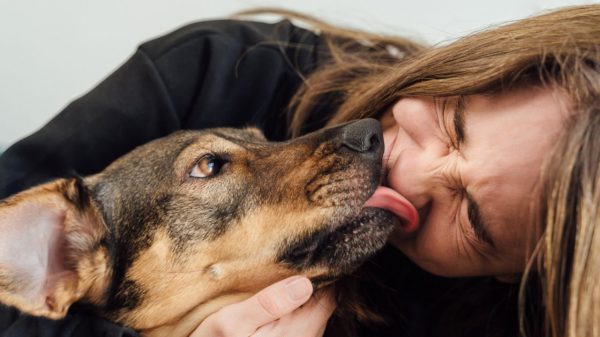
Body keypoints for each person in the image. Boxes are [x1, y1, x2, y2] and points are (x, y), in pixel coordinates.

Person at [0, 4, 599, 337]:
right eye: (453, 121)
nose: (405, 172)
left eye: (472, 217)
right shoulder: (223, 70)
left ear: (518, 275)